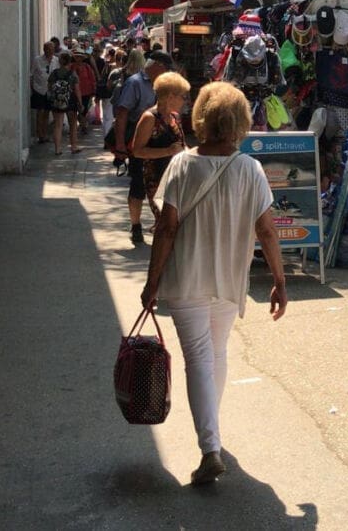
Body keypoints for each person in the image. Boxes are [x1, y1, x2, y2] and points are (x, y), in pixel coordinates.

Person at [140, 81, 287, 485]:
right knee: (215, 353)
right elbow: (268, 231)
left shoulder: (182, 165)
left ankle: (210, 447)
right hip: (228, 278)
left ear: (202, 117)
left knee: (201, 358)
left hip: (186, 277)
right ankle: (213, 434)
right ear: (240, 122)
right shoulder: (250, 169)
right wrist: (279, 281)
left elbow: (166, 229)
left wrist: (152, 283)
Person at [115, 51, 173, 244]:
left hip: (161, 142)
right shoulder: (135, 83)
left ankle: (160, 223)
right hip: (140, 141)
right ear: (156, 65)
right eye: (165, 68)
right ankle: (136, 225)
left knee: (163, 185)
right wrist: (121, 144)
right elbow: (122, 114)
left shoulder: (163, 84)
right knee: (138, 185)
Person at [131, 71, 188, 227]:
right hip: (156, 177)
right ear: (170, 97)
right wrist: (167, 151)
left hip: (176, 177)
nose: (184, 101)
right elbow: (137, 151)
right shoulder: (149, 118)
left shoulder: (175, 117)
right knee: (165, 221)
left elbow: (181, 144)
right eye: (183, 97)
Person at [46, 51, 82, 155]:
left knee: (58, 125)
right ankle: (73, 147)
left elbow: (49, 87)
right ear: (69, 62)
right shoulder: (72, 74)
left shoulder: (54, 73)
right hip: (71, 101)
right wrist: (80, 102)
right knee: (73, 125)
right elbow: (77, 89)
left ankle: (57, 149)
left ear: (60, 62)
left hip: (58, 101)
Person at [30, 41, 55, 144]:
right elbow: (31, 74)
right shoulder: (37, 60)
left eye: (51, 49)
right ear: (44, 50)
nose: (49, 51)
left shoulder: (56, 60)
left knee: (47, 113)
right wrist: (32, 88)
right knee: (39, 113)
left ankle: (44, 134)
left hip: (50, 91)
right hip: (39, 89)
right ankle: (39, 134)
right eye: (47, 49)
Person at [69, 48, 98, 136]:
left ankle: (83, 125)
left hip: (86, 92)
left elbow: (92, 78)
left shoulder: (87, 67)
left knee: (84, 109)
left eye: (80, 57)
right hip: (74, 92)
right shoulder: (71, 66)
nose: (78, 58)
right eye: (77, 57)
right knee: (75, 110)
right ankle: (81, 125)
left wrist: (94, 89)